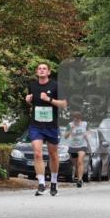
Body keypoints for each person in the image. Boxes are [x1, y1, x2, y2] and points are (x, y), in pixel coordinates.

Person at [26, 62, 67, 196]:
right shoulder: (32, 85)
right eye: (39, 69)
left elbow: (64, 104)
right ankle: (42, 184)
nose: (42, 70)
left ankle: (54, 183)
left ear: (49, 72)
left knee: (53, 155)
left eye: (44, 69)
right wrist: (28, 100)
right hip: (36, 125)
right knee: (37, 153)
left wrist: (49, 99)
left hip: (51, 125)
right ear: (37, 72)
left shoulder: (55, 85)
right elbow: (32, 102)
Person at [64, 111, 88, 187]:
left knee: (80, 161)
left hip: (82, 145)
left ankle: (80, 180)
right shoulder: (70, 125)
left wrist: (87, 135)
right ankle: (79, 178)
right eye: (74, 120)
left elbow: (89, 132)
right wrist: (71, 130)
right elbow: (65, 136)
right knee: (76, 164)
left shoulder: (85, 124)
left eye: (77, 120)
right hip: (73, 146)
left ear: (80, 119)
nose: (76, 121)